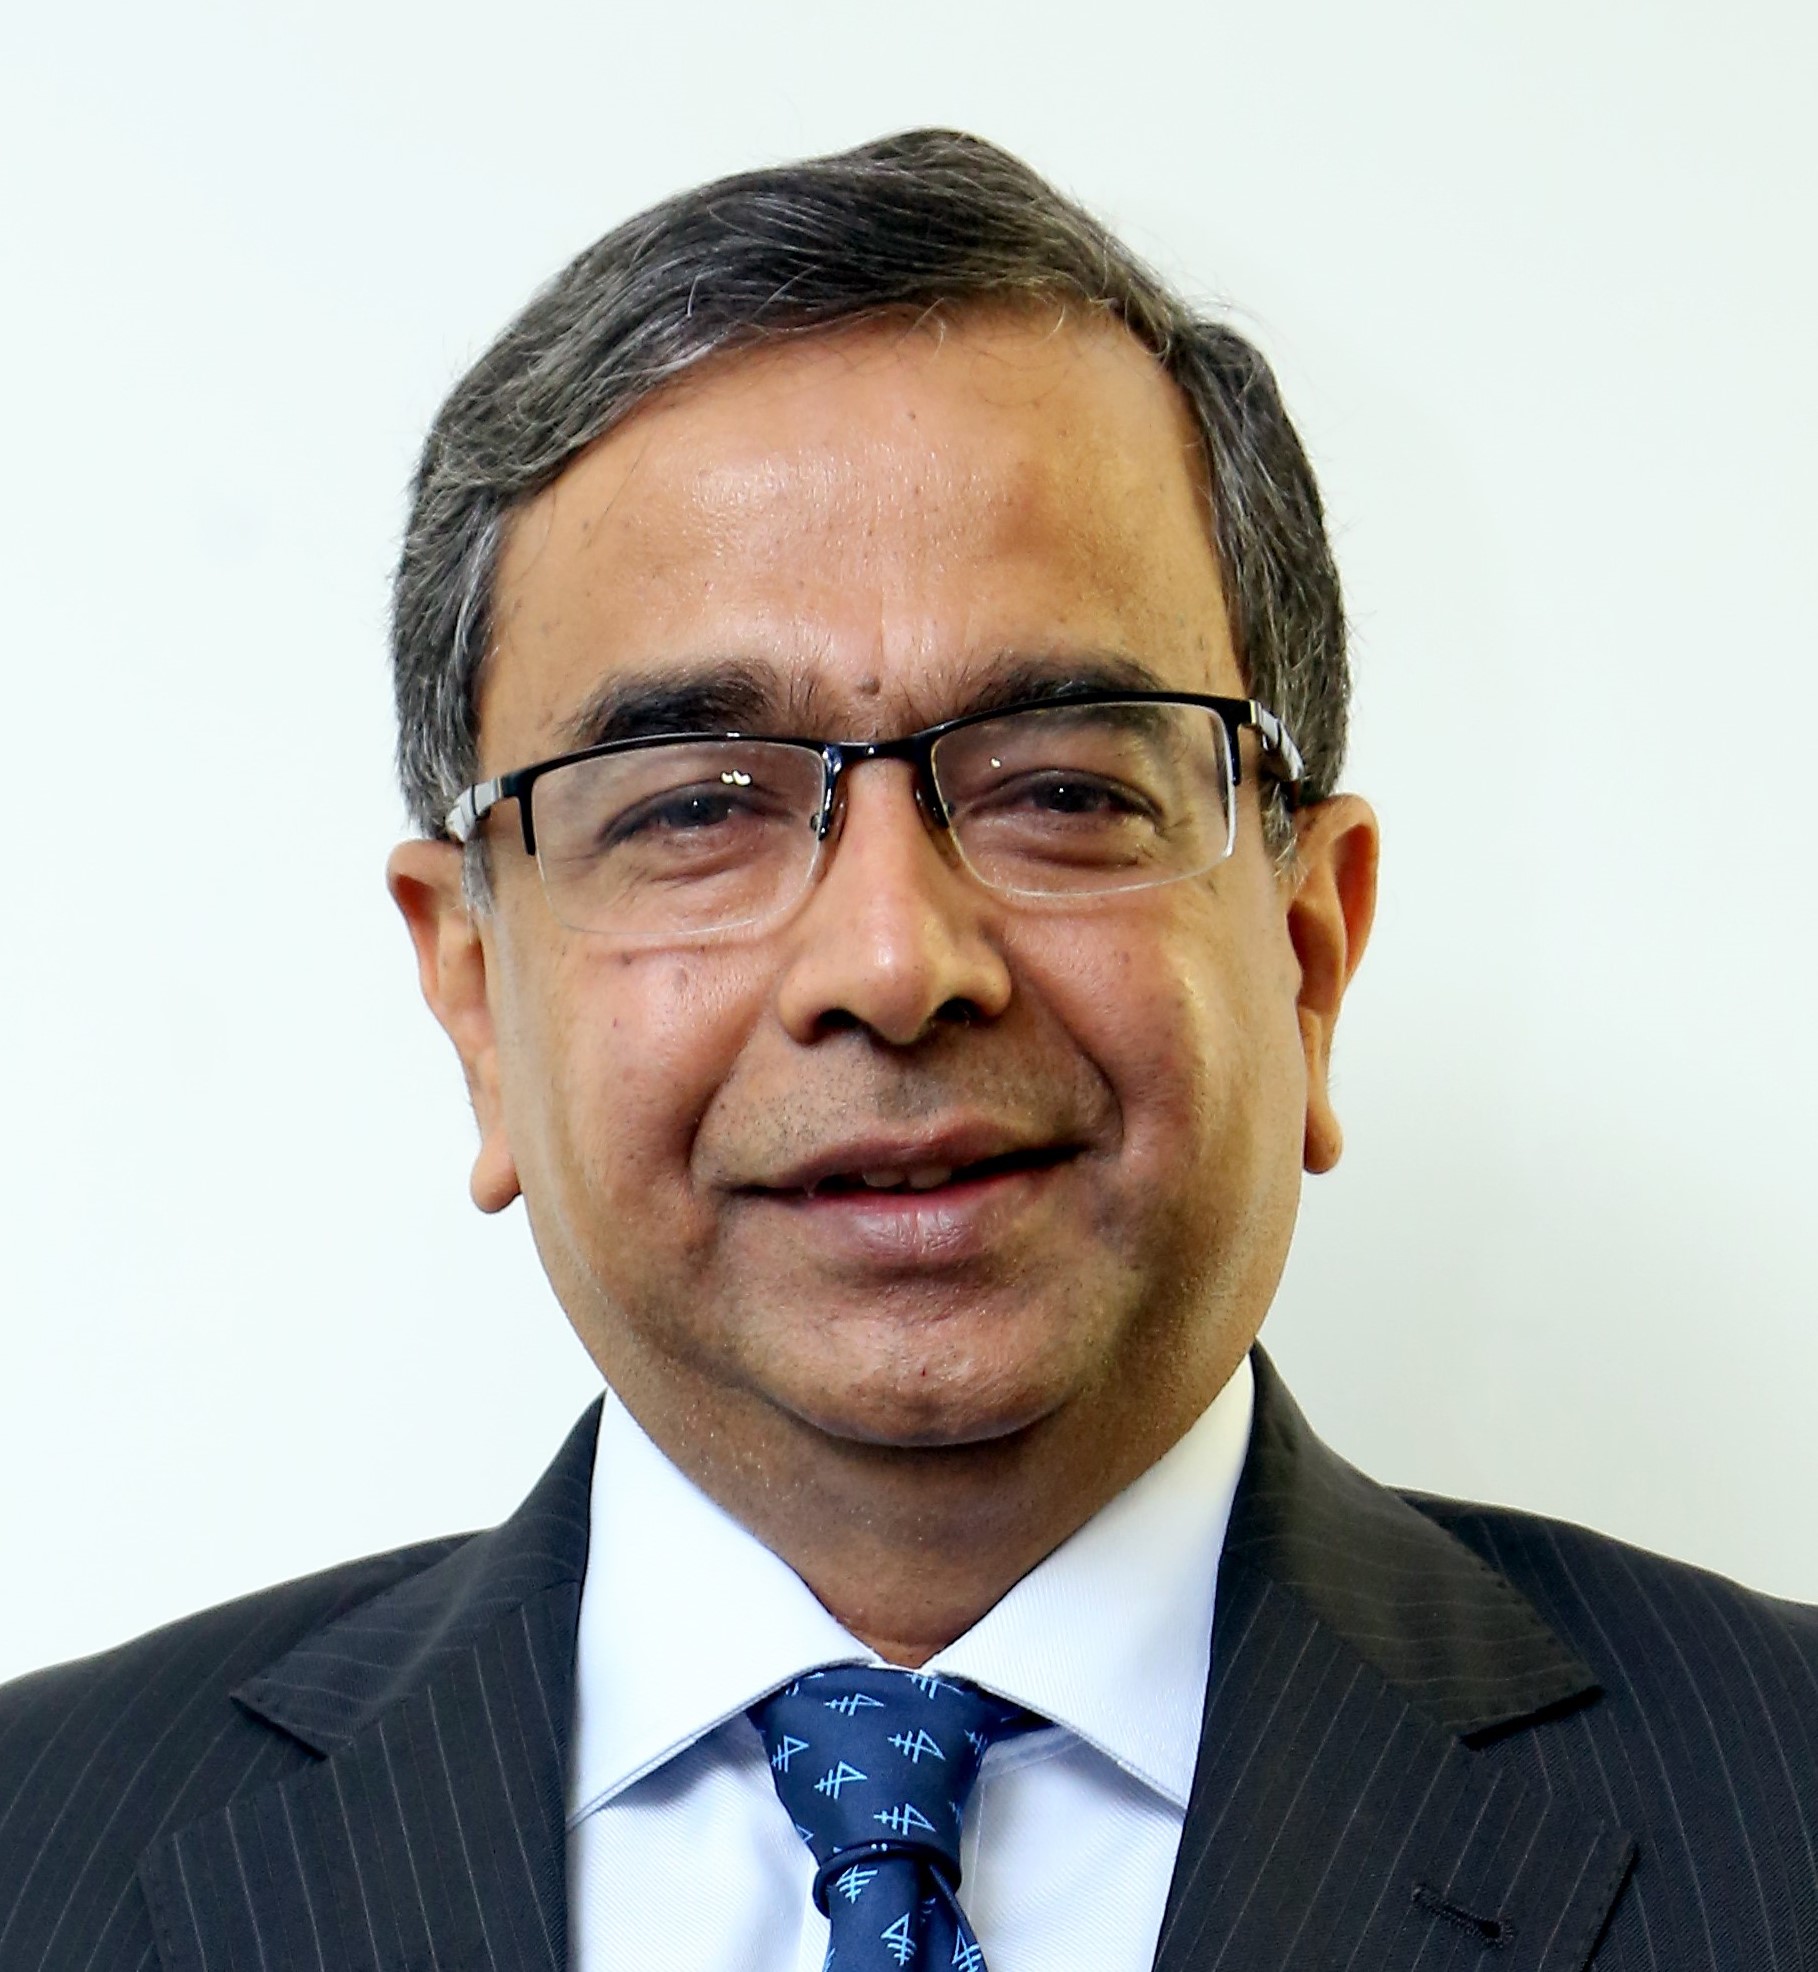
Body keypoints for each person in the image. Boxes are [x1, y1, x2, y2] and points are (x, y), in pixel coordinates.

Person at [1, 129, 1812, 1972]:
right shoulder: (37, 1852)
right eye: (695, 807)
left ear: (1305, 951)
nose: (890, 962)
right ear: (475, 998)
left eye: (1062, 788)